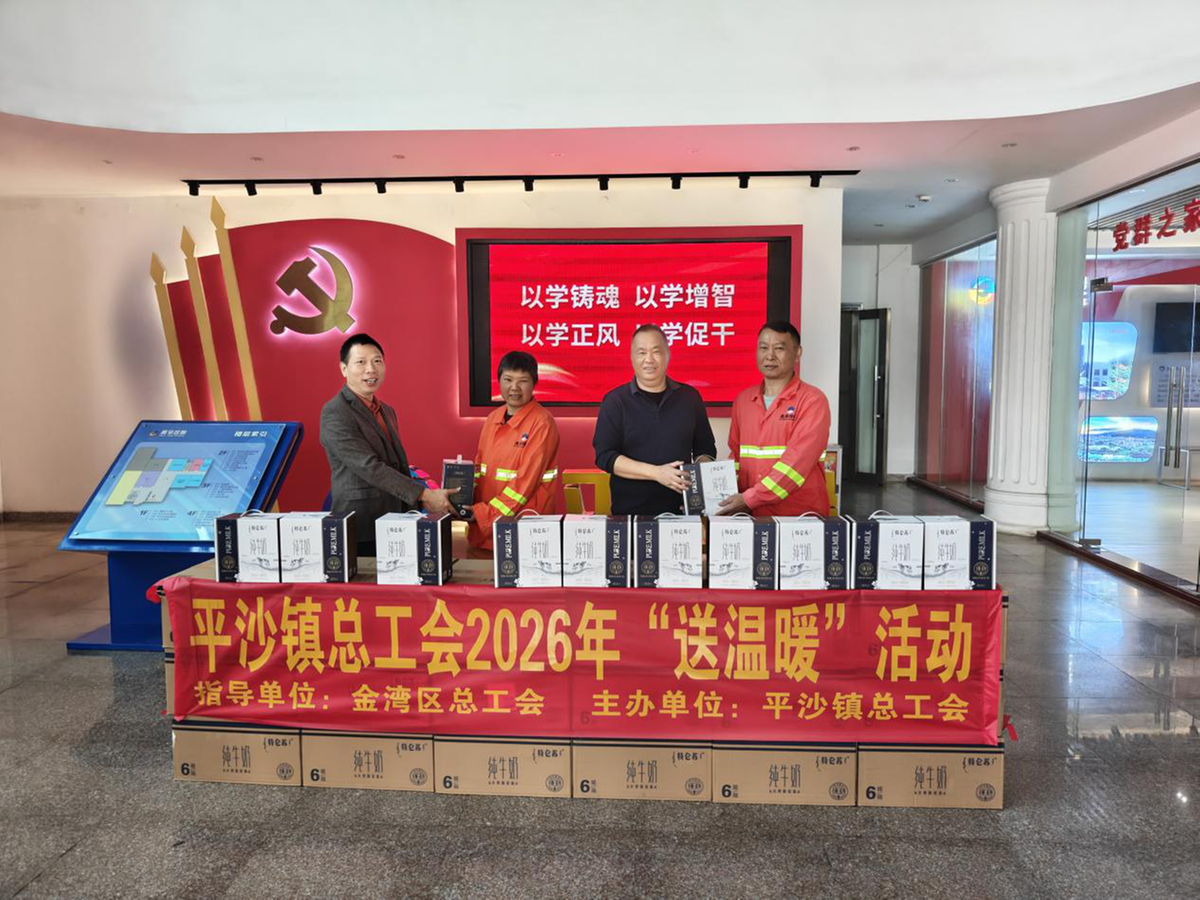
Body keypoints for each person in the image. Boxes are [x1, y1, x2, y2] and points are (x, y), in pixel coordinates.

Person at [319, 333, 456, 556]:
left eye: (377, 361)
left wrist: (417, 503)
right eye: (361, 362)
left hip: (395, 519)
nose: (371, 369)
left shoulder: (387, 411)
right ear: (344, 369)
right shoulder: (335, 412)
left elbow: (396, 465)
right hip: (361, 524)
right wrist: (425, 495)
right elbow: (369, 467)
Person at [593, 324, 717, 516]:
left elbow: (706, 449)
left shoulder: (690, 397)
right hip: (630, 515)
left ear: (668, 354)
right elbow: (605, 457)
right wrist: (657, 473)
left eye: (656, 351)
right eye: (642, 352)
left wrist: (699, 480)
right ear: (632, 357)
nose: (649, 359)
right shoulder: (615, 401)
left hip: (682, 513)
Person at [718, 320, 831, 517]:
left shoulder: (812, 400)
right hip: (751, 514)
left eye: (779, 348)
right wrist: (717, 498)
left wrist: (750, 498)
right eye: (763, 348)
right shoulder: (743, 401)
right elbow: (736, 457)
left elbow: (796, 464)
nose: (769, 355)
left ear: (798, 353)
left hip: (798, 515)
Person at [468, 351, 561, 549]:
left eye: (523, 381)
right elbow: (479, 468)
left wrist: (486, 515)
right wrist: (463, 498)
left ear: (534, 383)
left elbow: (524, 483)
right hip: (484, 529)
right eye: (508, 380)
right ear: (499, 381)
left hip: (524, 526)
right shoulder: (493, 418)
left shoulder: (542, 423)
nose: (514, 388)